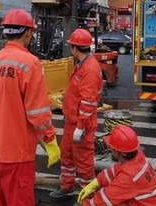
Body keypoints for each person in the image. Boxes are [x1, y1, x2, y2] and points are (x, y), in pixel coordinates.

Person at [0, 9, 60, 205]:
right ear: (28, 33)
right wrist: (51, 140)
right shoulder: (29, 63)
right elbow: (38, 114)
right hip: (15, 153)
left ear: (5, 33)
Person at [50, 28, 103, 198]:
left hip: (82, 124)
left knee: (83, 160)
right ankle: (67, 185)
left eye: (71, 47)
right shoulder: (83, 65)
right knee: (67, 154)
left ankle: (88, 194)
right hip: (72, 121)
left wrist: (80, 127)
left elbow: (88, 102)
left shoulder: (90, 68)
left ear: (75, 48)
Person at [77, 125, 156, 205]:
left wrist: (84, 204)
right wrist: (98, 181)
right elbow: (117, 170)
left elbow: (103, 201)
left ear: (120, 152)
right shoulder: (138, 156)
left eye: (112, 147)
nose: (110, 148)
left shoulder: (128, 177)